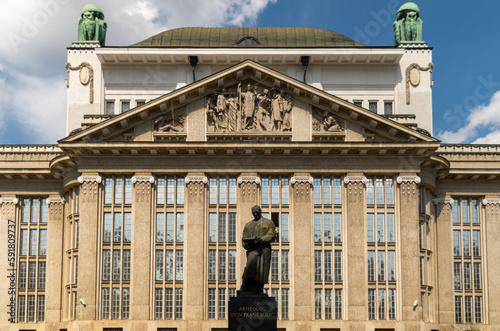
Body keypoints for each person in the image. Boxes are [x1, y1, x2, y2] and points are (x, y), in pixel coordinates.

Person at [239, 205, 276, 295]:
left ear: (260, 211)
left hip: (263, 250)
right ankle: (245, 286)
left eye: (257, 212)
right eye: (253, 212)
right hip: (252, 250)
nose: (255, 214)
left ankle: (259, 289)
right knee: (250, 267)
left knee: (262, 270)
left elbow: (272, 235)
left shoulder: (268, 222)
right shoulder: (248, 225)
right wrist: (245, 244)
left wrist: (262, 239)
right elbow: (244, 238)